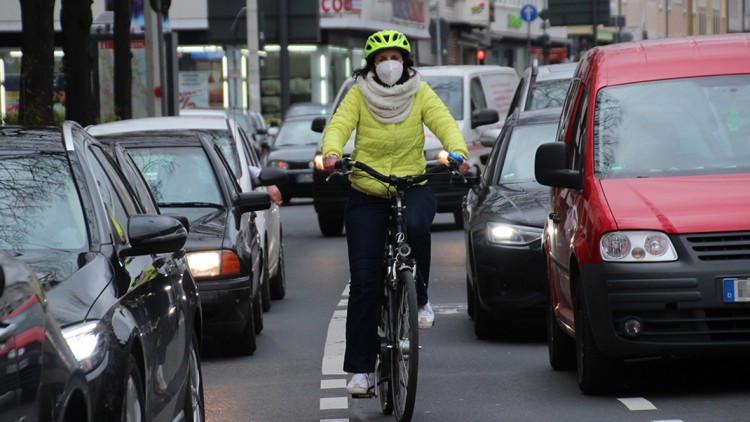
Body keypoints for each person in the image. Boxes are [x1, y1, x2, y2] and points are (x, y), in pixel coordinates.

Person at [321, 29, 469, 395]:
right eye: (382, 58)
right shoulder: (358, 93)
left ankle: (420, 296)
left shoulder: (420, 91)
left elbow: (444, 121)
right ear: (371, 64)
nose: (389, 64)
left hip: (411, 183)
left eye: (396, 58)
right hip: (367, 190)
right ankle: (361, 372)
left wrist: (458, 152)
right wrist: (332, 152)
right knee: (365, 280)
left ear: (406, 63)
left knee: (418, 225)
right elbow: (339, 124)